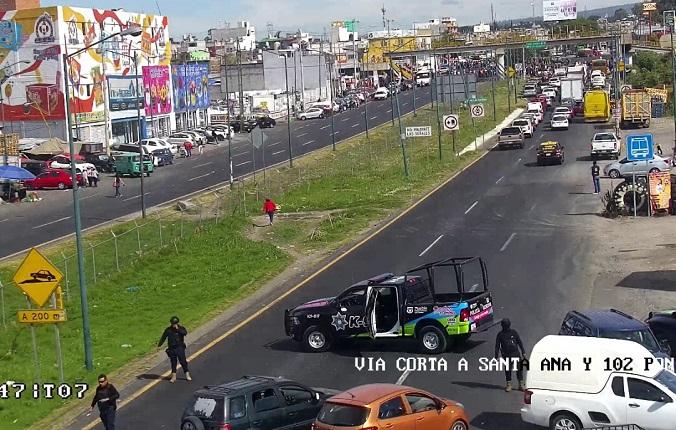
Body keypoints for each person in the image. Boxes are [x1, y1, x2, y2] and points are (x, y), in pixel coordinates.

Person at [495, 318, 526, 392]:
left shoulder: (513, 332)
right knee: (508, 370)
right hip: (507, 355)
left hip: (515, 354)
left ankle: (521, 384)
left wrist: (523, 352)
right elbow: (497, 346)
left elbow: (519, 342)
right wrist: (496, 356)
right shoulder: (500, 335)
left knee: (519, 369)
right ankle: (509, 384)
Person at [157, 316, 191, 383]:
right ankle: (173, 376)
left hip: (179, 348)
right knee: (173, 362)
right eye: (173, 323)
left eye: (175, 323)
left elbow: (185, 333)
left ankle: (187, 374)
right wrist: (159, 345)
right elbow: (163, 337)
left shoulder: (181, 328)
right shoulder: (168, 330)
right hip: (172, 348)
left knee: (183, 361)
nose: (174, 325)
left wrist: (178, 329)